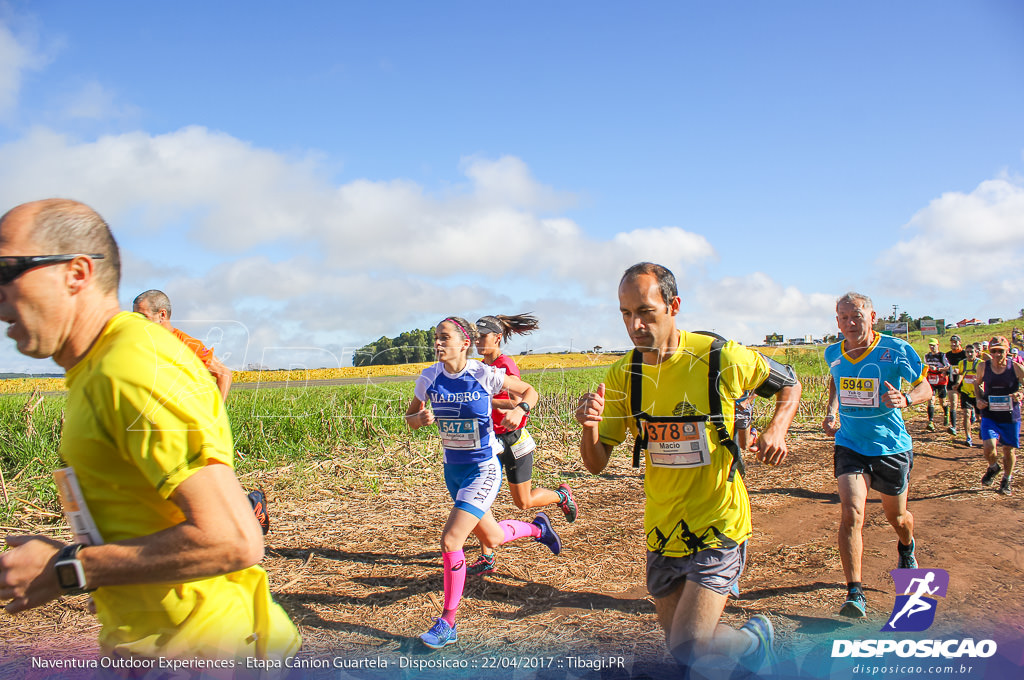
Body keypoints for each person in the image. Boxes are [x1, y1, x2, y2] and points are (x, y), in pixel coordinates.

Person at [0, 199, 299, 663]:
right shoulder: (95, 366)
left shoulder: (132, 364)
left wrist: (66, 569)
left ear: (75, 273)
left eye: (7, 270)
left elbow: (233, 539)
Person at [575, 263, 801, 675]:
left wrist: (777, 429)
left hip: (719, 520)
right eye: (625, 313)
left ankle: (753, 641)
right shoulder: (624, 374)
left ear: (674, 305)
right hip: (662, 529)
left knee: (690, 643)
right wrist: (589, 429)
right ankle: (753, 648)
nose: (635, 324)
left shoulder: (720, 357)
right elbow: (595, 464)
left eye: (645, 311)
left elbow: (790, 383)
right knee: (685, 649)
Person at [405, 316, 562, 649]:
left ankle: (448, 622)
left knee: (451, 540)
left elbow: (530, 391)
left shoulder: (482, 373)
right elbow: (410, 417)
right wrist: (417, 420)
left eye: (444, 338)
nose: (437, 343)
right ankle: (538, 529)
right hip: (454, 471)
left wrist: (520, 410)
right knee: (492, 536)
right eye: (436, 337)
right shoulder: (428, 378)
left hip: (484, 469)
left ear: (464, 343)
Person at [822, 292, 932, 619]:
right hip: (850, 444)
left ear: (872, 317)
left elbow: (925, 386)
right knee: (852, 513)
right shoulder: (833, 352)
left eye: (855, 316)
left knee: (897, 518)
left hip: (891, 446)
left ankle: (906, 545)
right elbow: (835, 380)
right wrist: (831, 411)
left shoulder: (896, 349)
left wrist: (907, 399)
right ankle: (854, 592)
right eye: (842, 318)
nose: (849, 324)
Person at [467, 313, 578, 577]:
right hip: (490, 441)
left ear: (496, 337)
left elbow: (517, 400)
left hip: (515, 440)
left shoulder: (505, 365)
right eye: (476, 337)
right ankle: (487, 557)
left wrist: (483, 399)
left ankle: (561, 496)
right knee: (481, 499)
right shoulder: (481, 365)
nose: (478, 342)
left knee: (523, 502)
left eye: (483, 337)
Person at [132, 289, 233, 401]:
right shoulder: (140, 343)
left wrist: (217, 415)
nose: (137, 322)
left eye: (143, 317)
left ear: (162, 314)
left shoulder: (186, 343)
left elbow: (224, 374)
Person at [974, 336, 1024, 496]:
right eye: (993, 351)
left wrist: (1020, 394)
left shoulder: (1016, 368)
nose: (996, 354)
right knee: (988, 448)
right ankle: (994, 466)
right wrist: (979, 399)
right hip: (990, 413)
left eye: (1000, 351)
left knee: (1008, 450)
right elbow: (977, 383)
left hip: (1010, 415)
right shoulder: (983, 366)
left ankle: (1006, 479)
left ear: (1007, 351)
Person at [956, 343, 982, 447]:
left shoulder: (981, 363)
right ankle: (968, 437)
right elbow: (961, 374)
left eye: (972, 352)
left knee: (981, 417)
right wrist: (957, 384)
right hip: (965, 392)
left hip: (978, 393)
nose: (970, 354)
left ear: (976, 353)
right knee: (966, 414)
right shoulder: (962, 363)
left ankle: (982, 431)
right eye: (967, 352)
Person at [923, 338, 950, 432]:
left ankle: (946, 414)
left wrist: (938, 369)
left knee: (942, 401)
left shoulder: (942, 355)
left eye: (933, 345)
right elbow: (925, 367)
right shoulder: (927, 356)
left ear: (938, 345)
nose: (932, 347)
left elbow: (948, 367)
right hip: (931, 380)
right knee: (931, 400)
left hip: (941, 381)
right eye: (930, 345)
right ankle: (930, 421)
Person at [945, 335, 966, 436]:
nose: (953, 344)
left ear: (960, 342)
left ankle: (974, 416)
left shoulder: (965, 353)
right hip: (952, 382)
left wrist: (961, 371)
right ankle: (953, 426)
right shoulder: (948, 355)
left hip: (965, 383)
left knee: (966, 406)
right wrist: (945, 371)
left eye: (955, 342)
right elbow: (946, 367)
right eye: (952, 342)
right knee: (953, 404)